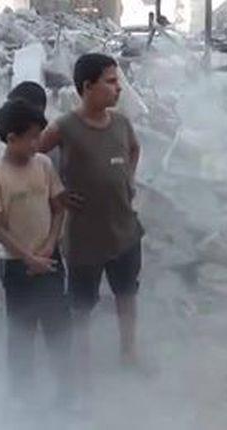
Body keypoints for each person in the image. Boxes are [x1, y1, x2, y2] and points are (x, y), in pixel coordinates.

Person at [39, 53, 143, 390]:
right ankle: (82, 371)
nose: (118, 89)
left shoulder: (121, 123)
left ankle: (128, 355)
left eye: (118, 81)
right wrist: (56, 193)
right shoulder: (65, 127)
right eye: (111, 82)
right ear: (87, 87)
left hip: (125, 232)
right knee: (81, 307)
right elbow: (33, 157)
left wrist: (127, 180)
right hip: (85, 238)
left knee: (126, 295)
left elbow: (134, 149)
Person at [0, 99, 71, 404]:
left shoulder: (44, 165)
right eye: (32, 137)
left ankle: (65, 395)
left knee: (58, 329)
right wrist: (29, 257)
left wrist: (49, 246)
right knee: (22, 335)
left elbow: (59, 209)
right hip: (18, 269)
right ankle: (23, 404)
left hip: (51, 261)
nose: (37, 144)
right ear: (11, 138)